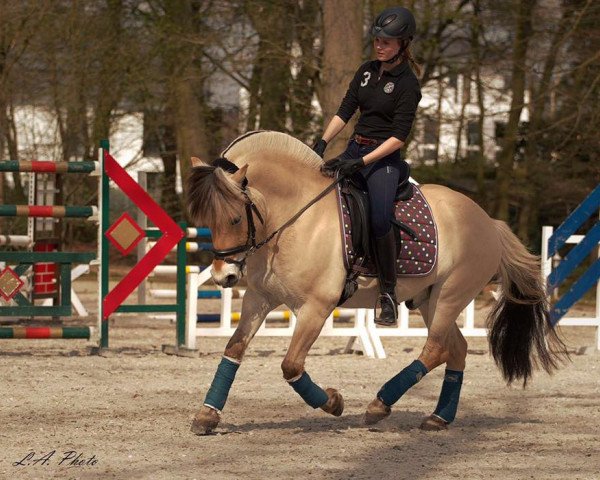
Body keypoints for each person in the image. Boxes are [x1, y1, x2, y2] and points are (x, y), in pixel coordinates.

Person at [314, 6, 422, 326]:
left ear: (403, 44)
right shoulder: (365, 70)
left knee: (378, 217)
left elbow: (399, 138)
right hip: (353, 148)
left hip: (383, 159)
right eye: (377, 39)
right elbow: (345, 110)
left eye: (387, 41)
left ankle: (387, 293)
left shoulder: (408, 84)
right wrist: (321, 143)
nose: (379, 45)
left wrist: (361, 162)